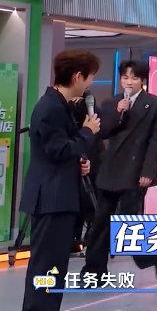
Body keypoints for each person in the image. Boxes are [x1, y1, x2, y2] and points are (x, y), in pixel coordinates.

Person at [20, 50, 101, 311]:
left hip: (59, 198)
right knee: (46, 268)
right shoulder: (51, 108)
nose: (90, 83)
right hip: (52, 200)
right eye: (90, 77)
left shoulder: (60, 105)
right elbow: (59, 149)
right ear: (77, 76)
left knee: (53, 268)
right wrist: (87, 132)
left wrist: (81, 163)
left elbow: (63, 148)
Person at [82, 60, 157, 281]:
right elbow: (103, 133)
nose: (129, 82)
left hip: (136, 171)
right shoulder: (111, 102)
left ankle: (155, 258)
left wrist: (148, 171)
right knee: (101, 222)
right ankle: (94, 271)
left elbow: (156, 141)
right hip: (110, 169)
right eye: (125, 77)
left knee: (128, 222)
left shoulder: (156, 104)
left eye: (134, 78)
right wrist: (117, 111)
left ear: (143, 80)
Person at [69, 91, 103, 255]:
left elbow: (99, 128)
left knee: (91, 200)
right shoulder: (62, 103)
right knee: (76, 199)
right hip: (73, 155)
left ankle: (91, 239)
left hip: (93, 156)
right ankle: (73, 240)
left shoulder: (90, 100)